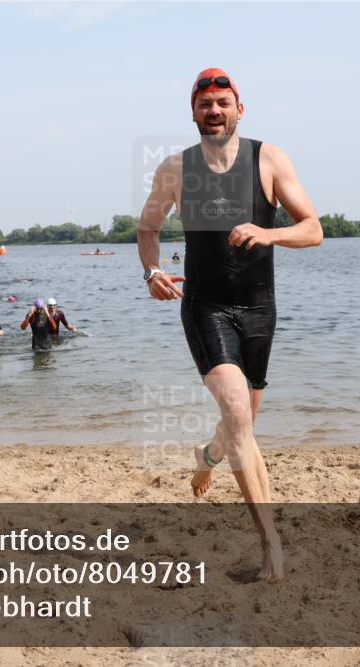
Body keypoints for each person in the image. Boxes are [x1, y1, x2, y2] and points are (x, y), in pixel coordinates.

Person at [137, 68, 322, 582]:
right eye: (205, 105)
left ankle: (208, 455)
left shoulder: (269, 159)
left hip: (260, 309)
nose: (214, 111)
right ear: (193, 113)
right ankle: (270, 544)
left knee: (241, 426)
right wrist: (151, 271)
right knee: (238, 412)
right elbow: (148, 227)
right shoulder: (176, 169)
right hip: (205, 306)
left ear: (240, 109)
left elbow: (313, 229)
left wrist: (269, 233)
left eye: (223, 103)